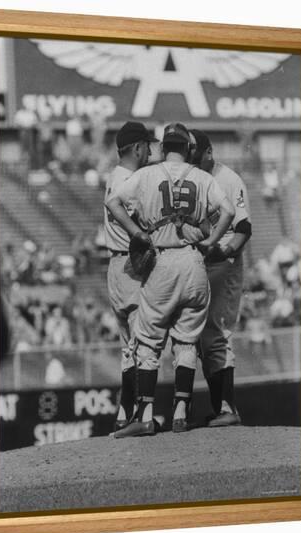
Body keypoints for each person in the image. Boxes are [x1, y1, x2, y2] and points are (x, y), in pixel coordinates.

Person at [107, 123, 234, 437]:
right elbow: (228, 210)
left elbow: (113, 203)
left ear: (163, 147)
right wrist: (211, 241)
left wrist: (137, 233)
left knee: (149, 339)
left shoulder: (148, 174)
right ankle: (181, 410)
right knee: (187, 339)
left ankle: (146, 414)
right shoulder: (203, 177)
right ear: (189, 148)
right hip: (194, 261)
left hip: (163, 258)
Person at [190, 129, 252, 427]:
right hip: (206, 261)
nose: (191, 160)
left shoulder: (228, 179)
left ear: (208, 152)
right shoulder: (195, 178)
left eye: (195, 155)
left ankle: (228, 408)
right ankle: (221, 408)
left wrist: (223, 251)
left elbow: (244, 229)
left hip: (225, 262)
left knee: (218, 332)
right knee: (204, 338)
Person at [104, 121, 158, 431]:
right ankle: (141, 416)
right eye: (147, 145)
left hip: (115, 264)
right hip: (132, 265)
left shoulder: (114, 176)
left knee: (129, 344)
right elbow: (143, 220)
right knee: (143, 340)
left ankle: (125, 414)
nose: (150, 150)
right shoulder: (132, 180)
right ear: (137, 148)